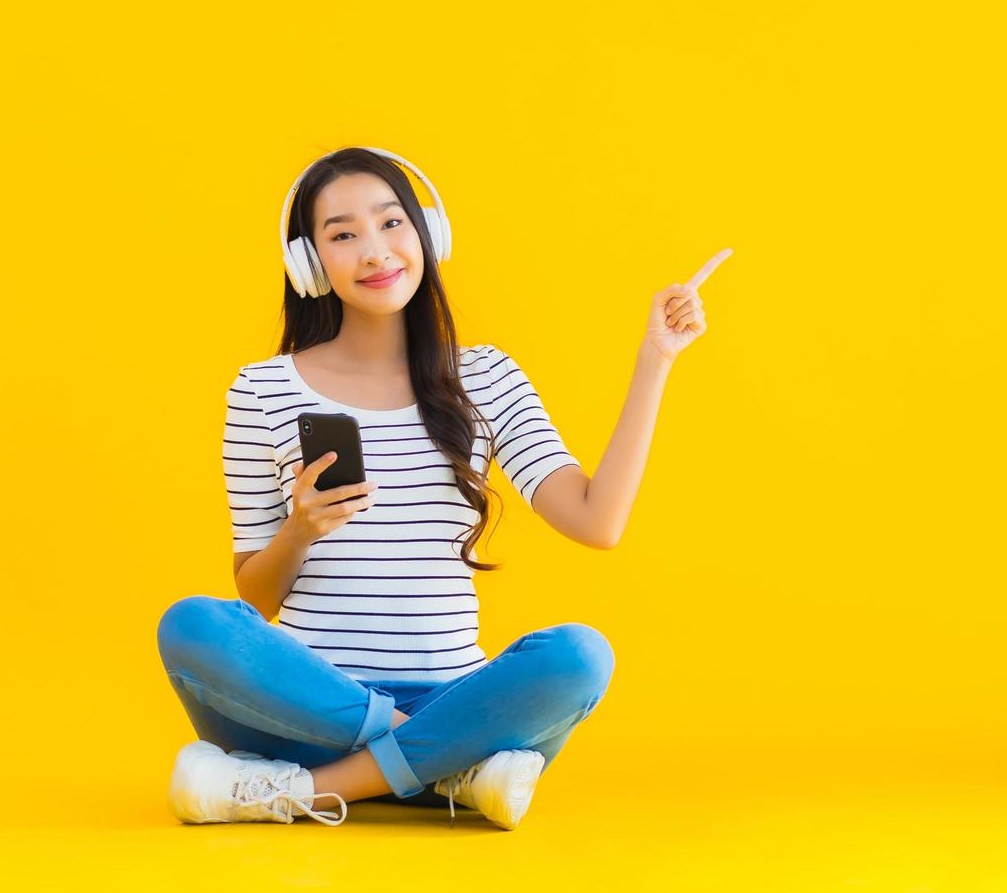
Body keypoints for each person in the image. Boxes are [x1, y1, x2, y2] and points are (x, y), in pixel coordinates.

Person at [156, 146, 729, 829]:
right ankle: (451, 768)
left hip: (451, 696)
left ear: (429, 233)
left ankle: (300, 791)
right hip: (306, 706)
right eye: (343, 235)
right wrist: (300, 529)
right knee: (192, 624)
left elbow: (596, 521)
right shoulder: (262, 390)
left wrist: (654, 362)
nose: (375, 252)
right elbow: (255, 595)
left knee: (579, 657)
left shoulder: (485, 378)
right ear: (309, 263)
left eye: (391, 223)